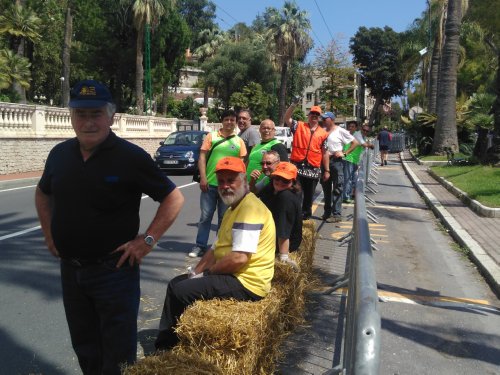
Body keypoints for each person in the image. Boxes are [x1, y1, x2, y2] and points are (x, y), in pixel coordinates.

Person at [34, 79, 184, 375]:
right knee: (85, 346)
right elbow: (43, 193)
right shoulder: (60, 155)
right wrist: (49, 233)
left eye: (96, 114)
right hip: (71, 271)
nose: (88, 122)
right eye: (81, 114)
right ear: (71, 116)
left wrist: (147, 241)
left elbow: (173, 197)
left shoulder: (130, 157)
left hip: (114, 272)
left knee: (117, 353)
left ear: (111, 116)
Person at [155, 157, 276, 351]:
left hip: (247, 282)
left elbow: (239, 258)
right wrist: (195, 272)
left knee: (181, 291)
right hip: (235, 274)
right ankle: (169, 340)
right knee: (177, 283)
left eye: (231, 180)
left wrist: (207, 274)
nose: (226, 186)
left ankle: (171, 348)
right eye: (221, 181)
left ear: (244, 180)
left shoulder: (250, 209)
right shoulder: (233, 207)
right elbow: (214, 249)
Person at [189, 110, 247, 258]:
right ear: (222, 121)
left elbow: (242, 165)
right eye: (226, 119)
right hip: (210, 184)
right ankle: (200, 246)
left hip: (228, 187)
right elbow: (202, 157)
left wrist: (241, 185)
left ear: (235, 122)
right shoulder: (212, 136)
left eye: (232, 120)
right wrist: (203, 178)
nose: (229, 122)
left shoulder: (239, 141)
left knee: (224, 218)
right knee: (205, 216)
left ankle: (218, 246)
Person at [284, 101, 330, 220]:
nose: (314, 116)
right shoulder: (298, 126)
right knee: (295, 193)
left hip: (313, 169)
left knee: (309, 196)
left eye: (317, 114)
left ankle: (305, 216)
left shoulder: (324, 134)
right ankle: (294, 215)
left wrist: (327, 170)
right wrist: (293, 104)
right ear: (308, 115)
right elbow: (286, 118)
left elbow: (325, 153)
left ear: (319, 117)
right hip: (297, 167)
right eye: (312, 114)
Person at [259, 162, 302, 270]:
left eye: (285, 180)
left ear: (293, 181)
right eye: (277, 178)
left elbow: (283, 228)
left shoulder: (285, 197)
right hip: (270, 234)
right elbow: (254, 197)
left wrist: (283, 256)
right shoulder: (272, 187)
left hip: (282, 243)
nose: (280, 182)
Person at [322, 112, 359, 222]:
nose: (323, 120)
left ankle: (336, 214)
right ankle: (327, 212)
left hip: (336, 161)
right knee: (326, 188)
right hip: (324, 161)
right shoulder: (323, 130)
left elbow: (355, 142)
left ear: (332, 119)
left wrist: (345, 153)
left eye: (325, 118)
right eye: (323, 119)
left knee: (338, 188)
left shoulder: (340, 130)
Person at [342, 121, 374, 203]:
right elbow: (364, 145)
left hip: (354, 160)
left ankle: (350, 194)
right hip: (349, 158)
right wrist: (370, 145)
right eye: (364, 130)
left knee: (353, 179)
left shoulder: (362, 136)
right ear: (360, 129)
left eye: (367, 131)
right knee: (348, 178)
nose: (365, 132)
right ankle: (346, 196)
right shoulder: (358, 134)